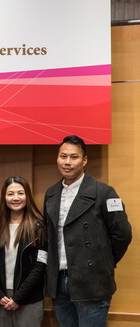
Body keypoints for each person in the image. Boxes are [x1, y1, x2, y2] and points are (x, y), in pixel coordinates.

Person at [44, 135, 132, 327]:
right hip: (58, 282)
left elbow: (123, 234)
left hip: (92, 282)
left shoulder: (104, 192)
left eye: (74, 157)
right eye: (63, 156)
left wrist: (102, 262)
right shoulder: (51, 194)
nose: (67, 162)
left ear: (84, 160)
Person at [0, 176, 47, 327]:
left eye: (20, 193)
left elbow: (40, 266)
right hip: (0, 299)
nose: (15, 198)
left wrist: (19, 298)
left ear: (27, 196)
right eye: (10, 194)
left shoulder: (38, 227)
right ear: (4, 197)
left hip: (29, 299)